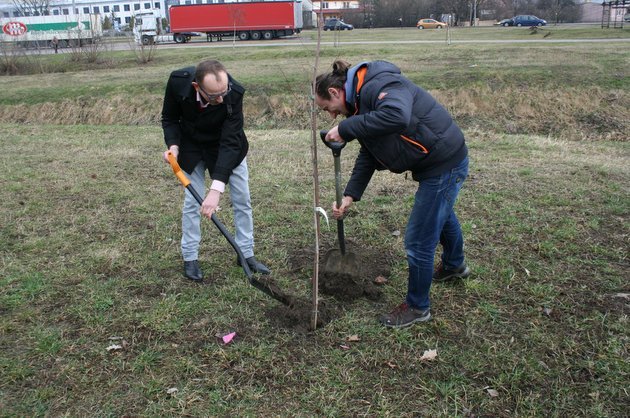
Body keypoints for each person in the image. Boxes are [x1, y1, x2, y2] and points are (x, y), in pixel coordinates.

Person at [315, 60, 470, 328]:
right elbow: (369, 151)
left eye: (327, 109)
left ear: (334, 92)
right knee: (441, 214)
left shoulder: (380, 85)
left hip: (444, 163)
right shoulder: (360, 105)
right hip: (438, 161)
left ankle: (417, 307)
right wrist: (350, 195)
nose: (331, 116)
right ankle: (454, 265)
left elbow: (398, 116)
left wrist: (345, 129)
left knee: (418, 240)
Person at [161, 59, 270, 282]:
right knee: (192, 203)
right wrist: (173, 145)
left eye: (224, 92)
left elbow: (231, 141)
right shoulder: (178, 82)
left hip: (228, 146)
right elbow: (170, 118)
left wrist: (216, 188)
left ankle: (246, 254)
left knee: (242, 199)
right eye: (213, 96)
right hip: (191, 146)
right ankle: (190, 257)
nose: (221, 99)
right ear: (196, 87)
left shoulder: (234, 92)